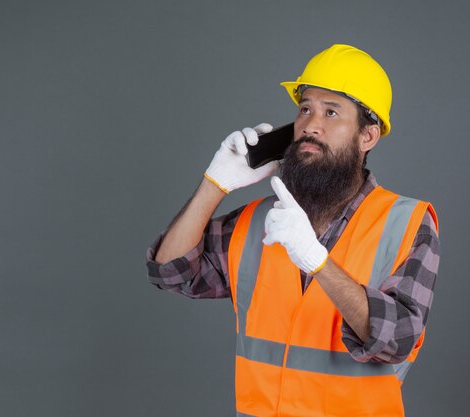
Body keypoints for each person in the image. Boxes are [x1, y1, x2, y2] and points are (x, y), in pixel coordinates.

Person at [146, 44, 440, 417]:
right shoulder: (259, 220)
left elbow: (397, 340)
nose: (310, 125)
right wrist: (214, 184)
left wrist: (317, 261)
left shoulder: (408, 223)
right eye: (305, 109)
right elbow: (170, 271)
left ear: (367, 137)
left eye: (331, 112)